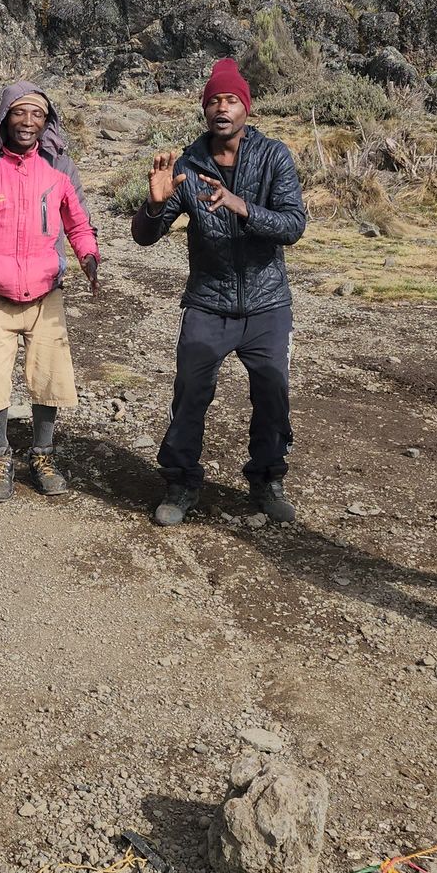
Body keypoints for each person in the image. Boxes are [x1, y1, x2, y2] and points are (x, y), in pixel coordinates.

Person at [133, 58, 308, 527]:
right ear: (204, 111)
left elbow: (293, 225)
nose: (221, 108)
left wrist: (241, 206)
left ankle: (267, 479)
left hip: (268, 303)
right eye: (213, 101)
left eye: (230, 100)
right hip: (208, 302)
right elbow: (144, 238)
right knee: (191, 392)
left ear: (246, 108)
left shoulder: (274, 157)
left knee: (272, 392)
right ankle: (181, 480)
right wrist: (152, 205)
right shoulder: (187, 165)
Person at [0, 82, 99, 502]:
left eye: (37, 115)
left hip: (47, 294)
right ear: (4, 117)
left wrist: (88, 256)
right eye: (19, 113)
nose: (27, 122)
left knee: (49, 375)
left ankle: (42, 454)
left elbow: (79, 223)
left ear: (47, 122)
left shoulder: (61, 167)